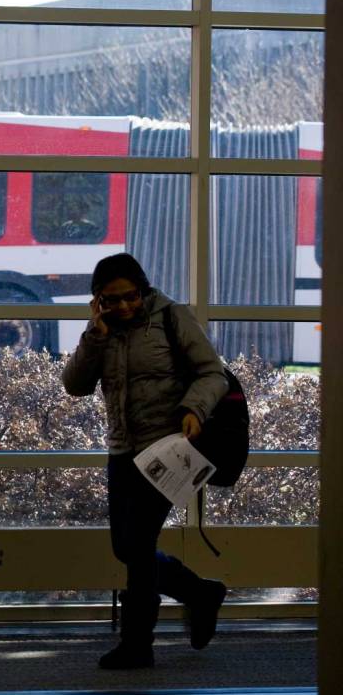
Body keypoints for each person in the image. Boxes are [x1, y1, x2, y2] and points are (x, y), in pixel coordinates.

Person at [62, 252, 230, 670]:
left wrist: (194, 408)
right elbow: (75, 385)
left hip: (168, 449)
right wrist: (95, 335)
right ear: (97, 300)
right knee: (126, 546)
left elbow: (213, 374)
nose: (123, 307)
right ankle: (200, 593)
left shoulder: (172, 316)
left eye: (130, 297)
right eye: (111, 299)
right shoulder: (102, 331)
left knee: (137, 550)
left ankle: (138, 644)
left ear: (144, 289)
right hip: (122, 450)